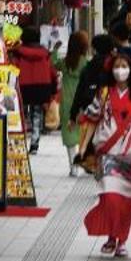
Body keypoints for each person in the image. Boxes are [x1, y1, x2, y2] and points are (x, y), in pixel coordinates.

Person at [77, 51, 131, 257]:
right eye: (117, 67)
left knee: (125, 202)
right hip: (108, 154)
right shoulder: (103, 94)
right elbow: (92, 117)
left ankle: (121, 239)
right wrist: (84, 147)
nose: (121, 71)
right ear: (111, 70)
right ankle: (111, 236)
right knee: (110, 196)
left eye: (125, 66)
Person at [6, 25, 57, 152]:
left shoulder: (18, 52)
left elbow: (13, 68)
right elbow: (52, 72)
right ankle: (34, 142)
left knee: (20, 113)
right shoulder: (45, 54)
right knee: (37, 114)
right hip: (42, 86)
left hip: (23, 86)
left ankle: (19, 139)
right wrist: (54, 88)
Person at [57, 31, 93, 172]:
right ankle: (83, 161)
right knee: (83, 134)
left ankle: (73, 167)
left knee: (69, 133)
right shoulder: (86, 63)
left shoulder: (65, 63)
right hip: (82, 102)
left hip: (66, 102)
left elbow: (53, 62)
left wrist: (55, 50)